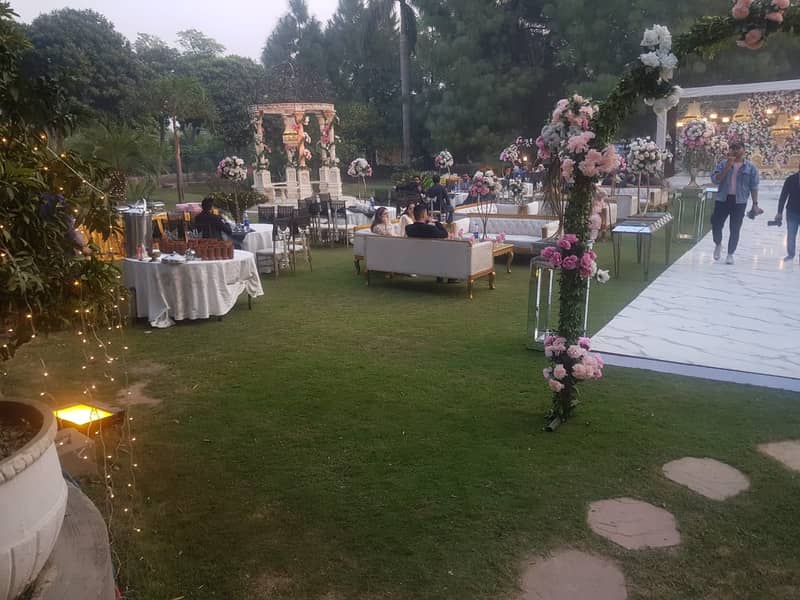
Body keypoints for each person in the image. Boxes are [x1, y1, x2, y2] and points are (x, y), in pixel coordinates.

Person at [709, 141, 760, 264]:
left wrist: (755, 204)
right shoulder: (722, 164)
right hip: (723, 199)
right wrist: (727, 167)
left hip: (739, 201)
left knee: (735, 227)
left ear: (744, 149)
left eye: (738, 148)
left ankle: (730, 253)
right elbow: (715, 180)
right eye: (733, 148)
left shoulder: (750, 167)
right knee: (716, 224)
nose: (735, 151)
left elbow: (754, 186)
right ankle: (718, 243)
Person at [775, 161, 800, 261]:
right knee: (791, 234)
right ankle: (791, 254)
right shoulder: (791, 179)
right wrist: (779, 212)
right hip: (792, 211)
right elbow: (783, 196)